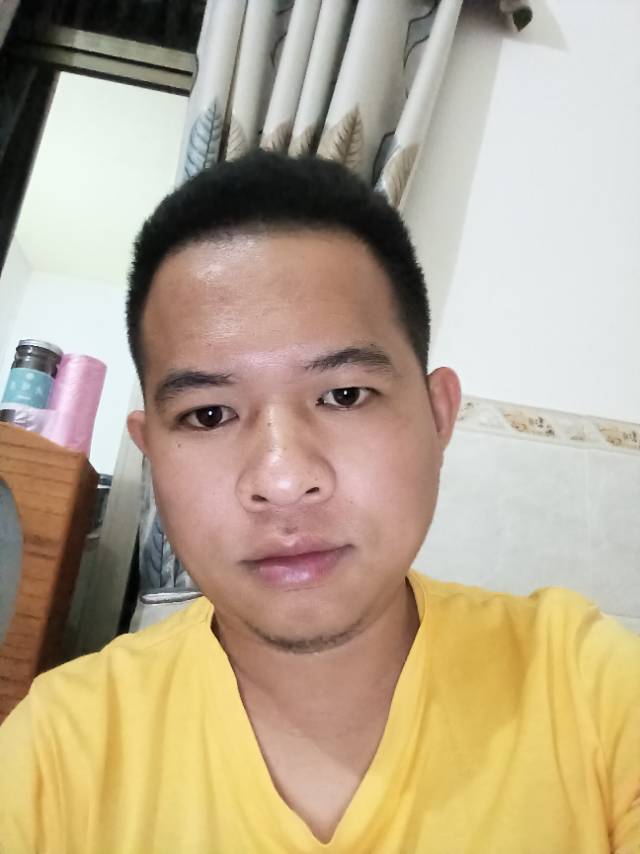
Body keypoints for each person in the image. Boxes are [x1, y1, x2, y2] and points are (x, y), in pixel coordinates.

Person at [0, 152, 638, 854]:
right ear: (151, 453)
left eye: (344, 395)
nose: (282, 479)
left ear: (438, 415)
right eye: (209, 414)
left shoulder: (589, 688)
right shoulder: (59, 750)